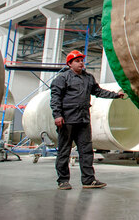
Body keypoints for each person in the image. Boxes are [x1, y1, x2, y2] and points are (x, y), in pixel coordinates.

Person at [50, 50, 125, 190]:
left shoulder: (88, 78)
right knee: (64, 151)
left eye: (81, 60)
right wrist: (57, 115)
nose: (81, 63)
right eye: (77, 61)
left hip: (83, 120)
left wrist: (116, 95)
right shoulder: (63, 78)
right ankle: (63, 180)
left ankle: (88, 180)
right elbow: (55, 98)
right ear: (70, 64)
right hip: (67, 120)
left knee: (86, 151)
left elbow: (98, 91)